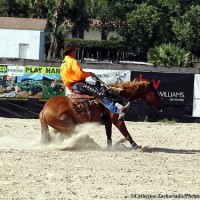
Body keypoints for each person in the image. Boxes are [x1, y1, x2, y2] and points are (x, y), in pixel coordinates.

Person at [60, 43, 131, 119]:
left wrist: (71, 89)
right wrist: (89, 74)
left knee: (98, 90)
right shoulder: (72, 61)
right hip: (80, 85)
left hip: (74, 87)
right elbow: (80, 74)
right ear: (71, 51)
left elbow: (64, 79)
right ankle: (118, 110)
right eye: (75, 51)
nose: (76, 53)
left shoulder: (63, 64)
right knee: (101, 93)